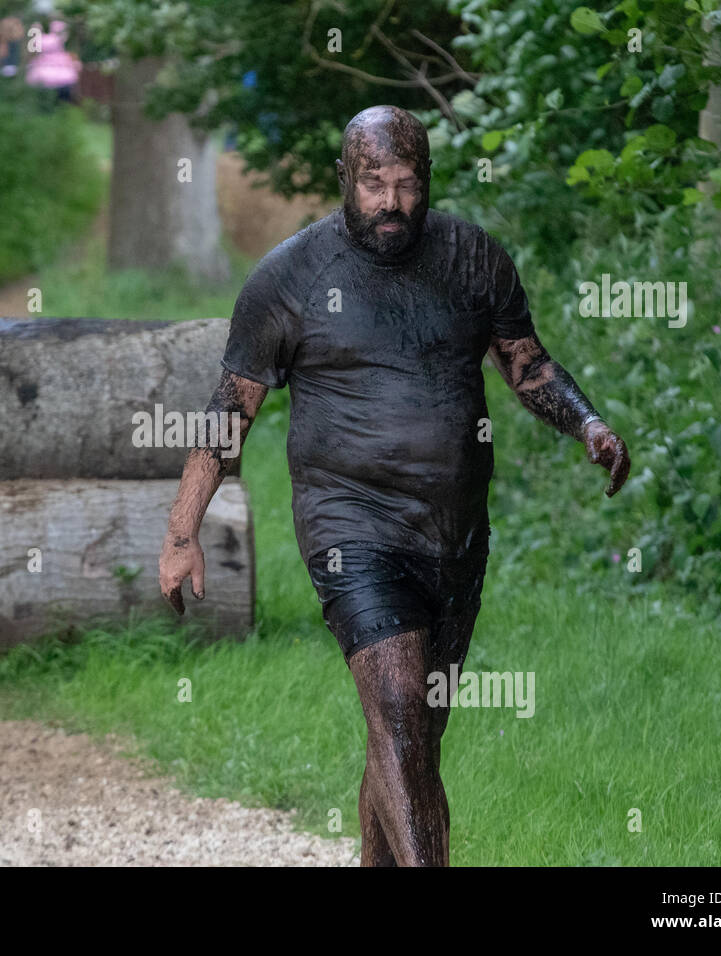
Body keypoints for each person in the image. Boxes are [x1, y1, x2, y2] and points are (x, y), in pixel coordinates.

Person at [159, 104, 631, 867]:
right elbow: (228, 413)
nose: (391, 203)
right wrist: (183, 533)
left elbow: (527, 364)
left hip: (452, 535)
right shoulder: (290, 276)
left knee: (411, 739)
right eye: (374, 183)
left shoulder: (473, 260)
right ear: (345, 178)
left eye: (408, 185)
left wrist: (589, 425)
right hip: (349, 527)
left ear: (429, 181)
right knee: (402, 716)